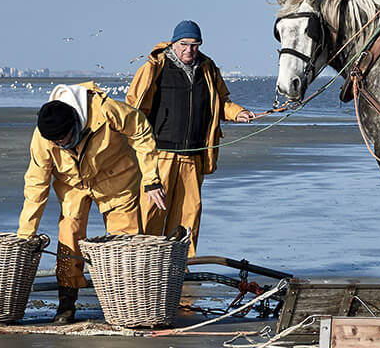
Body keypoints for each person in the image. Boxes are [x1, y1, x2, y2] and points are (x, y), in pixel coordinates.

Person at [18, 81, 166, 324]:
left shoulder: (104, 110)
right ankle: (66, 304)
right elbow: (36, 186)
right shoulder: (43, 137)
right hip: (73, 184)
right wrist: (26, 235)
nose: (58, 145)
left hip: (116, 177)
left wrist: (151, 179)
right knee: (69, 235)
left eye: (62, 140)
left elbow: (141, 130)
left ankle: (126, 301)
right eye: (54, 143)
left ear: (75, 124)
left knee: (123, 241)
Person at [126, 20, 256, 252]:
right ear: (174, 43)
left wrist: (238, 113)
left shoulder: (208, 68)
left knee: (189, 215)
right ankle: (146, 261)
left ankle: (182, 267)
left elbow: (220, 103)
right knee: (151, 213)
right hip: (160, 156)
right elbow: (134, 108)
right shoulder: (155, 65)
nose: (189, 50)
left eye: (195, 45)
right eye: (184, 44)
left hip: (193, 156)